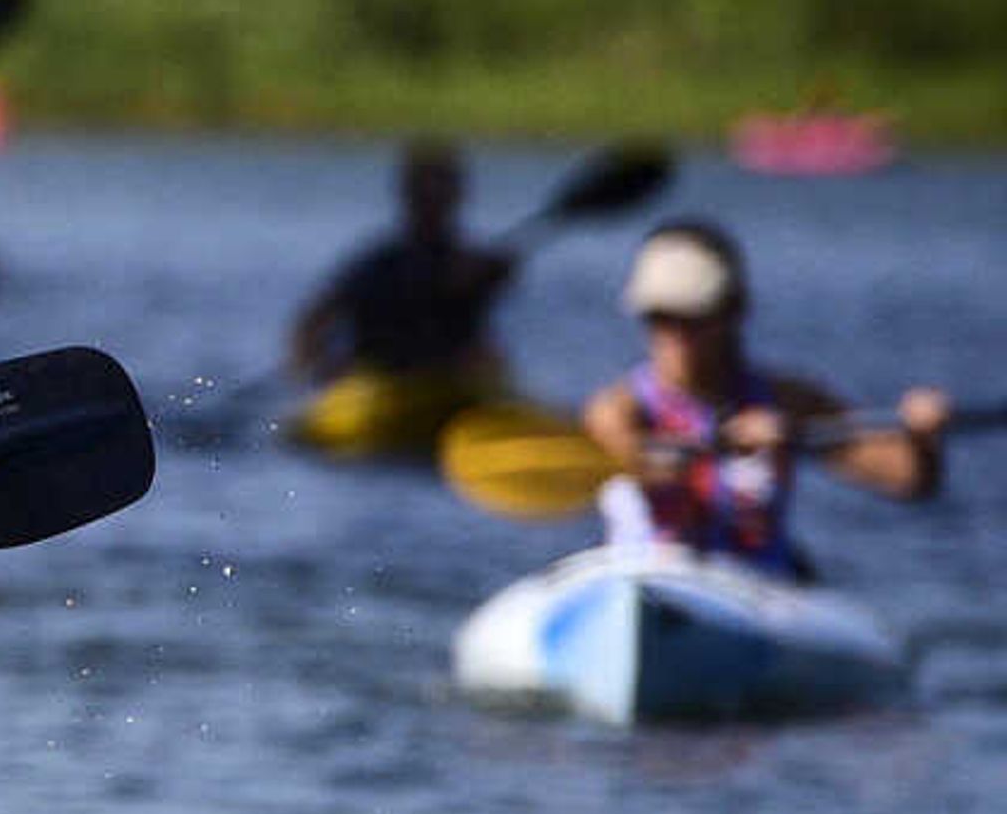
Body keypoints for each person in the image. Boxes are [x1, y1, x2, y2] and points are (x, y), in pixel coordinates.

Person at [579, 220, 949, 573]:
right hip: (648, 579)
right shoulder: (617, 408)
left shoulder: (787, 401)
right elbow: (635, 459)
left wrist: (922, 438)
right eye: (660, 316)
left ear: (732, 311)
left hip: (757, 590)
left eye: (693, 316)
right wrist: (721, 441)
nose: (676, 333)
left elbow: (909, 479)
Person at [285, 139, 515, 388]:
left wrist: (491, 278)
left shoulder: (477, 264)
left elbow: (480, 292)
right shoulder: (377, 266)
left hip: (455, 383)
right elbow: (312, 322)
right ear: (408, 196)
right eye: (425, 194)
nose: (433, 203)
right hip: (381, 387)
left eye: (441, 192)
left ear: (456, 196)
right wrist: (314, 364)